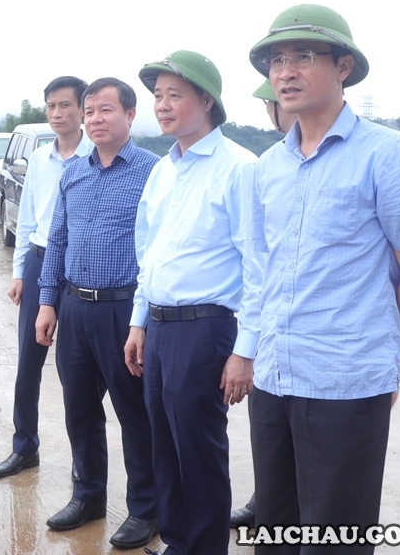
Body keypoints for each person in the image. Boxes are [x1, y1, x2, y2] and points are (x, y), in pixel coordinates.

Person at [242, 4, 400, 555]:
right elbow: (264, 271)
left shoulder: (388, 154)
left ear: (343, 67)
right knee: (275, 532)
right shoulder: (269, 167)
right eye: (277, 60)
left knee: (334, 541)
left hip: (347, 382)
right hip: (275, 378)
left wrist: (392, 367)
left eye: (304, 56)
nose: (285, 72)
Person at [122, 51, 259, 555]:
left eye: (174, 94)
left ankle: (202, 548)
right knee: (165, 447)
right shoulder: (162, 171)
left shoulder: (240, 169)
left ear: (207, 101)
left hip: (206, 328)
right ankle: (177, 543)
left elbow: (257, 266)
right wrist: (139, 323)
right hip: (159, 327)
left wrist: (245, 350)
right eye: (158, 96)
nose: (162, 105)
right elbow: (148, 255)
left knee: (199, 452)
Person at [35, 77, 160, 549]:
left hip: (122, 310)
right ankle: (87, 495)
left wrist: (142, 321)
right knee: (79, 409)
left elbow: (159, 249)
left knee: (134, 413)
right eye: (90, 112)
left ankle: (145, 509)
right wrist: (48, 301)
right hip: (74, 308)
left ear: (130, 115)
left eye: (106, 110)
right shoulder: (74, 172)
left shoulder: (153, 171)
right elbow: (57, 240)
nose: (95, 119)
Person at [0, 76, 91, 480]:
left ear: (82, 109)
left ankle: (84, 464)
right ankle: (24, 446)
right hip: (39, 260)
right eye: (51, 106)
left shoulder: (95, 155)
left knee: (78, 371)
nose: (57, 114)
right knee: (29, 360)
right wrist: (19, 273)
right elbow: (27, 216)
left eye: (65, 105)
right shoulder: (39, 160)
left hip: (82, 268)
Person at [230, 78, 287, 531]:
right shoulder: (270, 165)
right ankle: (265, 499)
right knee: (270, 436)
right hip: (269, 324)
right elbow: (257, 256)